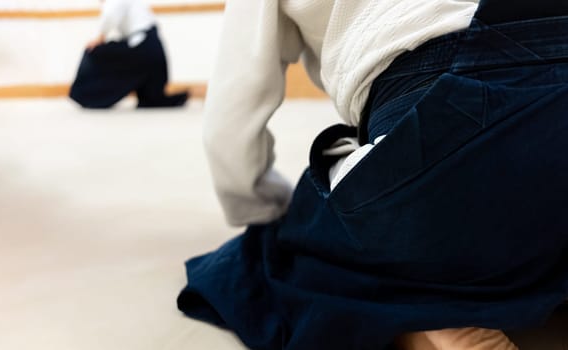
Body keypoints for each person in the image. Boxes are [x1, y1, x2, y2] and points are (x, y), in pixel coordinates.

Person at [177, 0, 568, 349]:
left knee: (277, 257)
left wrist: (267, 215)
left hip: (448, 128)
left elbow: (231, 120)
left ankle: (424, 317)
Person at [69, 0, 188, 108]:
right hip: (151, 48)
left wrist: (100, 38)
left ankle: (87, 95)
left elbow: (110, 15)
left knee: (94, 52)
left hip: (144, 47)